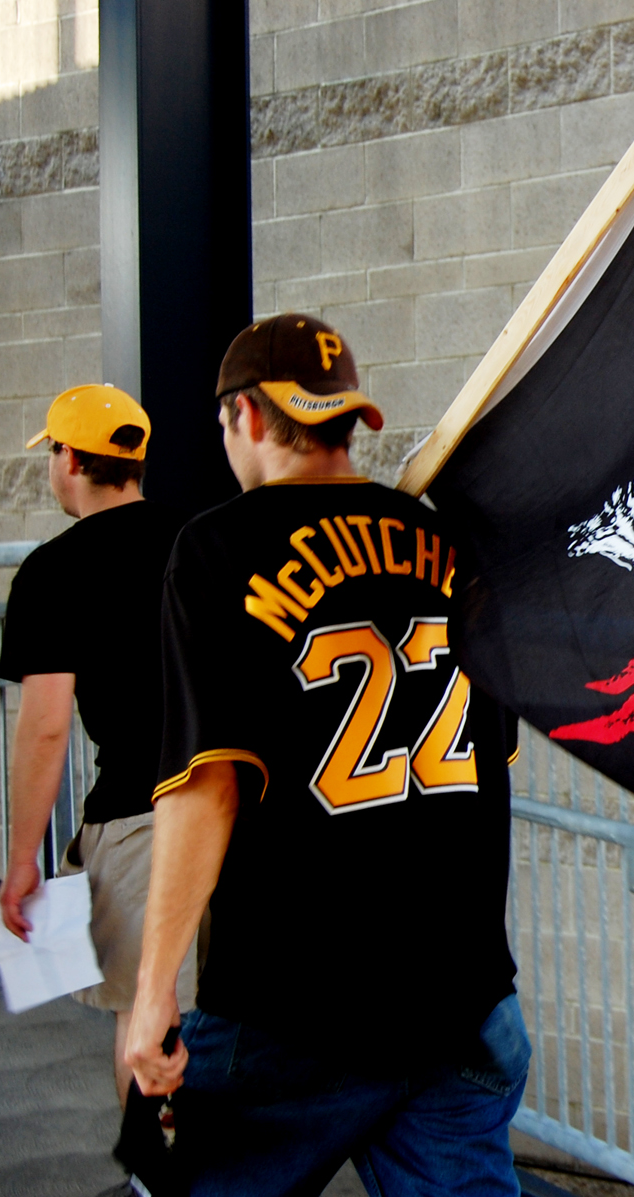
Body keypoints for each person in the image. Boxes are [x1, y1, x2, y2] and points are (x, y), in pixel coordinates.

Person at [123, 314, 528, 1196]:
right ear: (347, 418)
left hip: (290, 1010)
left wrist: (153, 989)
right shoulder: (449, 544)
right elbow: (490, 758)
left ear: (246, 415)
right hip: (462, 998)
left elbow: (206, 788)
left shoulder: (217, 550)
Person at [0, 383, 189, 1106]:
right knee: (229, 1018)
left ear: (70, 458)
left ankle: (159, 1160)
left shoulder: (52, 571)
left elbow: (46, 727)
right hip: (235, 812)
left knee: (147, 1015)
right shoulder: (202, 541)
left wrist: (23, 860)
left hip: (139, 824)